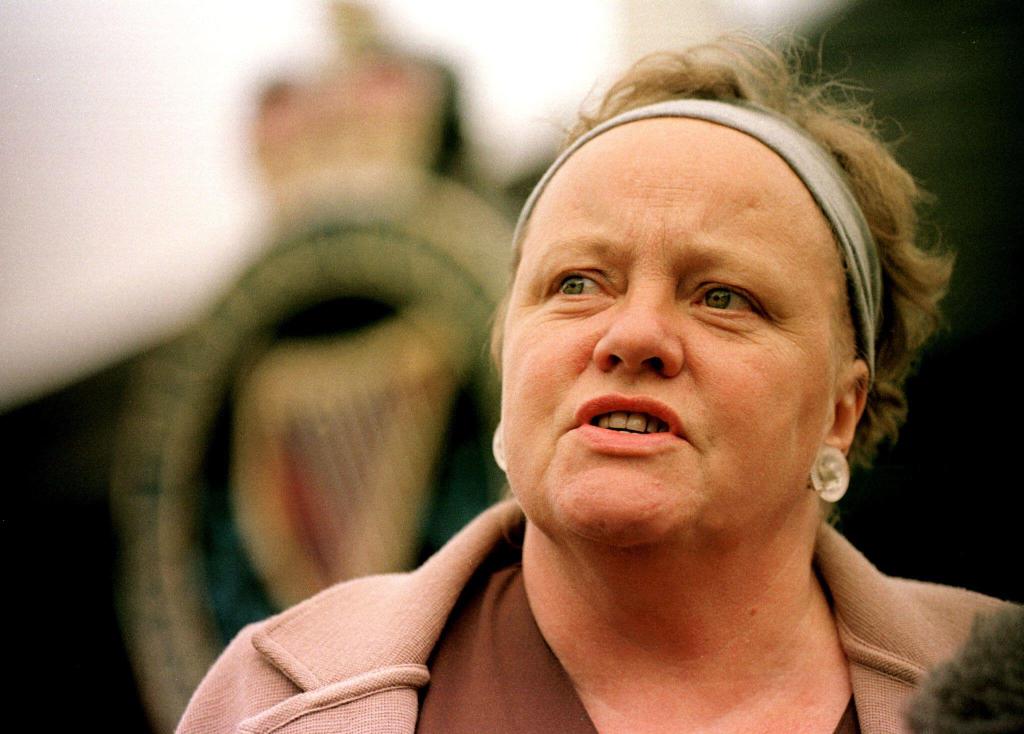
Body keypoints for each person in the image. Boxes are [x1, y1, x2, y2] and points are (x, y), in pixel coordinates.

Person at [176, 37, 1012, 734]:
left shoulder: (998, 686)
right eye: (578, 283)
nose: (632, 336)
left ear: (841, 411)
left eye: (722, 297)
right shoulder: (274, 699)